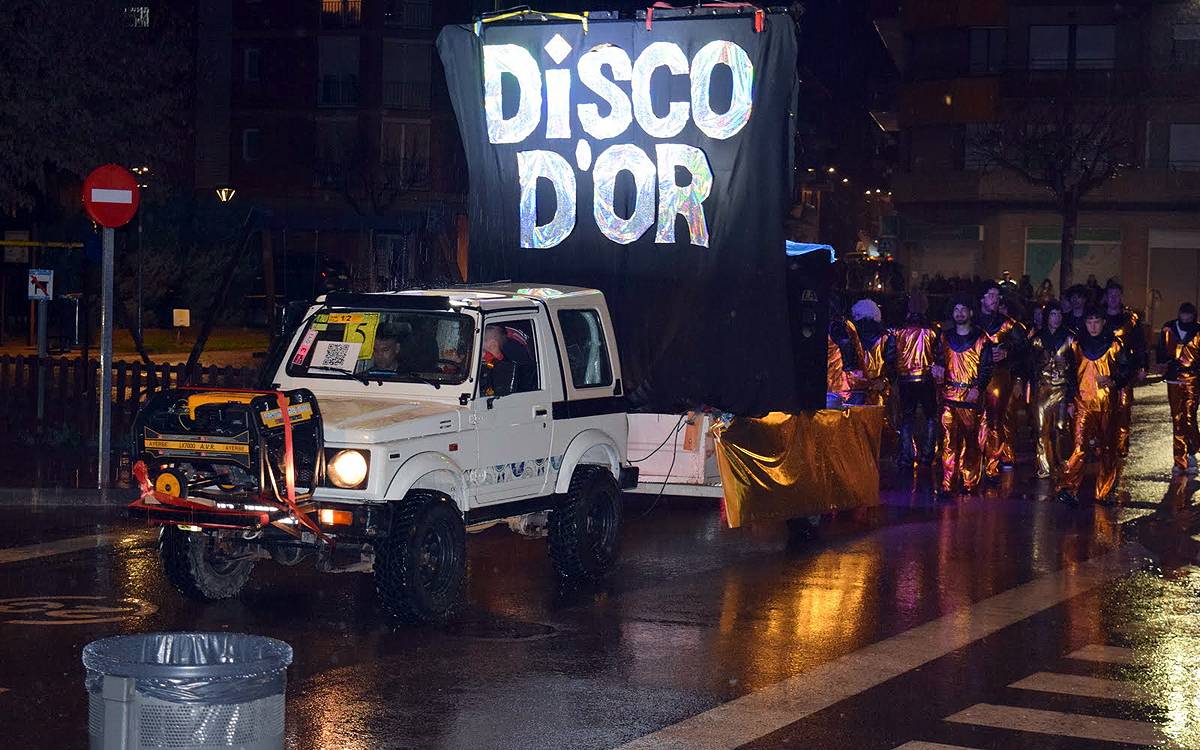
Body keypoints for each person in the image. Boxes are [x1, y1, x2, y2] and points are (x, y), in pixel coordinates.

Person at [1057, 307, 1132, 505]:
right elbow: (1071, 374)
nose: (1093, 326)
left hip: (1107, 403)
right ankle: (1069, 487)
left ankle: (1104, 489)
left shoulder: (1115, 345)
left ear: (1103, 322)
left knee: (1108, 448)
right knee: (1079, 446)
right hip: (1083, 403)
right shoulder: (1077, 345)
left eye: (1096, 321)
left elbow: (1126, 369)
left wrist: (1113, 379)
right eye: (1089, 321)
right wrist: (1071, 399)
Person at [932, 296, 993, 499]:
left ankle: (969, 480)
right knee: (949, 441)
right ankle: (948, 483)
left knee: (971, 441)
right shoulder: (945, 337)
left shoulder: (981, 338)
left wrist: (979, 387)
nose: (959, 313)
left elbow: (986, 367)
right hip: (949, 396)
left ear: (970, 313)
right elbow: (939, 358)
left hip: (970, 396)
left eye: (963, 309)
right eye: (956, 308)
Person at [977, 283, 1026, 480]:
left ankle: (992, 465)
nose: (995, 299)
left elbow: (1023, 346)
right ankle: (974, 462)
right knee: (973, 420)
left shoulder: (1008, 324)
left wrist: (1007, 351)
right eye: (990, 295)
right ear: (982, 298)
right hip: (973, 377)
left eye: (997, 296)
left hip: (998, 376)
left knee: (995, 420)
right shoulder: (973, 322)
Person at [891, 292, 940, 466]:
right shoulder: (932, 330)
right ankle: (928, 453)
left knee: (907, 417)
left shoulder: (898, 331)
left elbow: (890, 354)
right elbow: (939, 353)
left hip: (905, 380)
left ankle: (907, 455)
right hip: (926, 379)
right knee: (931, 416)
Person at [1027, 300, 1074, 479]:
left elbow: (1076, 369)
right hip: (1042, 387)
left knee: (1060, 427)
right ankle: (1044, 466)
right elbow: (1030, 365)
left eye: (1059, 314)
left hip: (1062, 387)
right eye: (1053, 314)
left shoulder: (1070, 338)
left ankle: (1060, 461)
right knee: (1041, 428)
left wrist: (1071, 395)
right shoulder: (1037, 338)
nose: (1056, 318)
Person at [1102, 280, 1146, 458]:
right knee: (1104, 408)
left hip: (1125, 369)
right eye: (1110, 295)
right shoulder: (1098, 317)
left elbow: (1140, 344)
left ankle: (1121, 444)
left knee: (1123, 407)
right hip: (1103, 368)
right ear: (1106, 297)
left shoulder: (1130, 319)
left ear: (1121, 297)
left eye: (1116, 295)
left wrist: (1142, 366)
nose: (1113, 299)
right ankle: (1103, 443)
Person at [1156, 302, 1200, 476]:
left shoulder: (1197, 330)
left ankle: (1191, 451)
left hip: (1193, 378)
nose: (1186, 318)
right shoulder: (1169, 328)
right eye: (1184, 315)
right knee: (1177, 418)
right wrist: (1162, 364)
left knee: (1189, 415)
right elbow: (1161, 350)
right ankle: (1180, 458)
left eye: (1189, 315)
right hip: (1174, 378)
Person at [848, 298, 893, 407]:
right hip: (877, 393)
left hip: (854, 392)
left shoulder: (850, 336)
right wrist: (885, 382)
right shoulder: (886, 337)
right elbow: (891, 364)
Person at [481, 324, 536, 396]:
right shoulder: (505, 336)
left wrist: (486, 357)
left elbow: (504, 377)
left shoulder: (513, 350)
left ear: (493, 344)